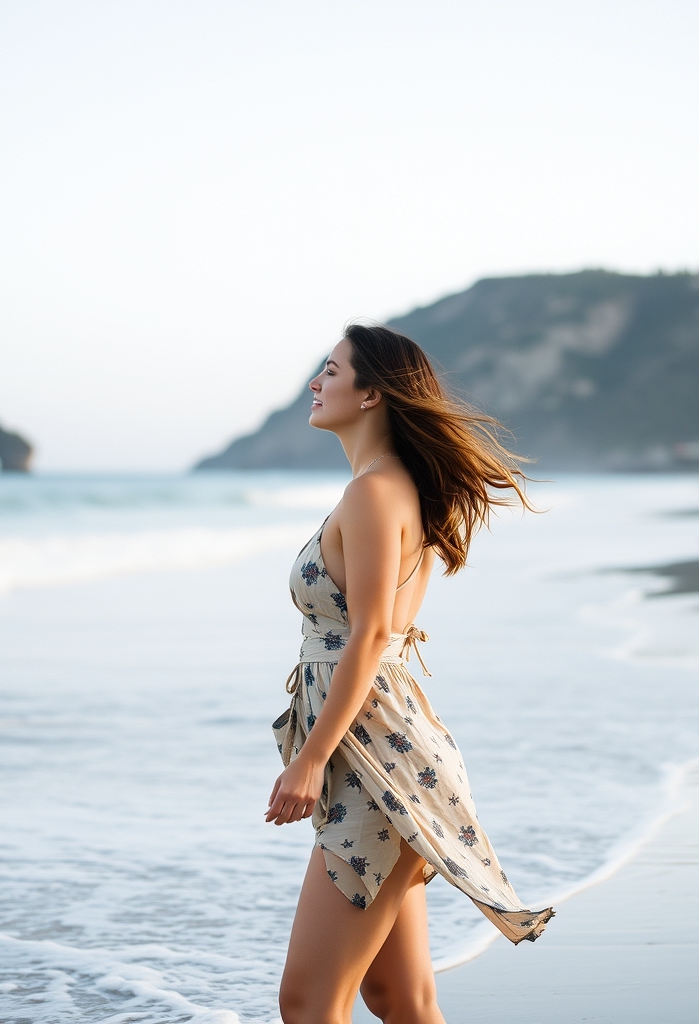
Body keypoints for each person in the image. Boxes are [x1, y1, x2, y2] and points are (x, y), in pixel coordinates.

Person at [266, 323, 554, 1024]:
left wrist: (309, 760)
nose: (316, 383)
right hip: (388, 747)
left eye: (331, 371)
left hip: (373, 760)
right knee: (400, 998)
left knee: (308, 1005)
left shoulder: (373, 492)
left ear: (371, 395)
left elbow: (370, 635)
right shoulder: (390, 487)